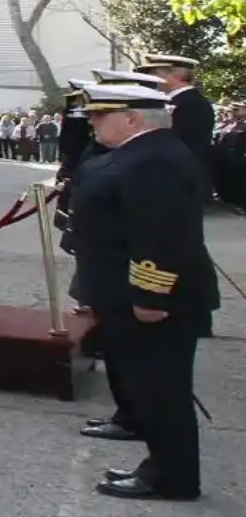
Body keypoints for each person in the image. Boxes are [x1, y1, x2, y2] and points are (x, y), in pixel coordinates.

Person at [67, 83, 218, 502]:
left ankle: (171, 478)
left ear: (133, 119)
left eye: (101, 116)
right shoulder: (143, 154)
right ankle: (161, 468)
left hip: (153, 302)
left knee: (161, 392)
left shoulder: (155, 161)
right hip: (130, 295)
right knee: (151, 389)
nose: (93, 123)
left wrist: (152, 297)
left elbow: (160, 238)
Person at [138, 54, 217, 195]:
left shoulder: (191, 103)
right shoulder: (179, 100)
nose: (153, 79)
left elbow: (183, 142)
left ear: (173, 76)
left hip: (180, 178)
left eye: (156, 73)